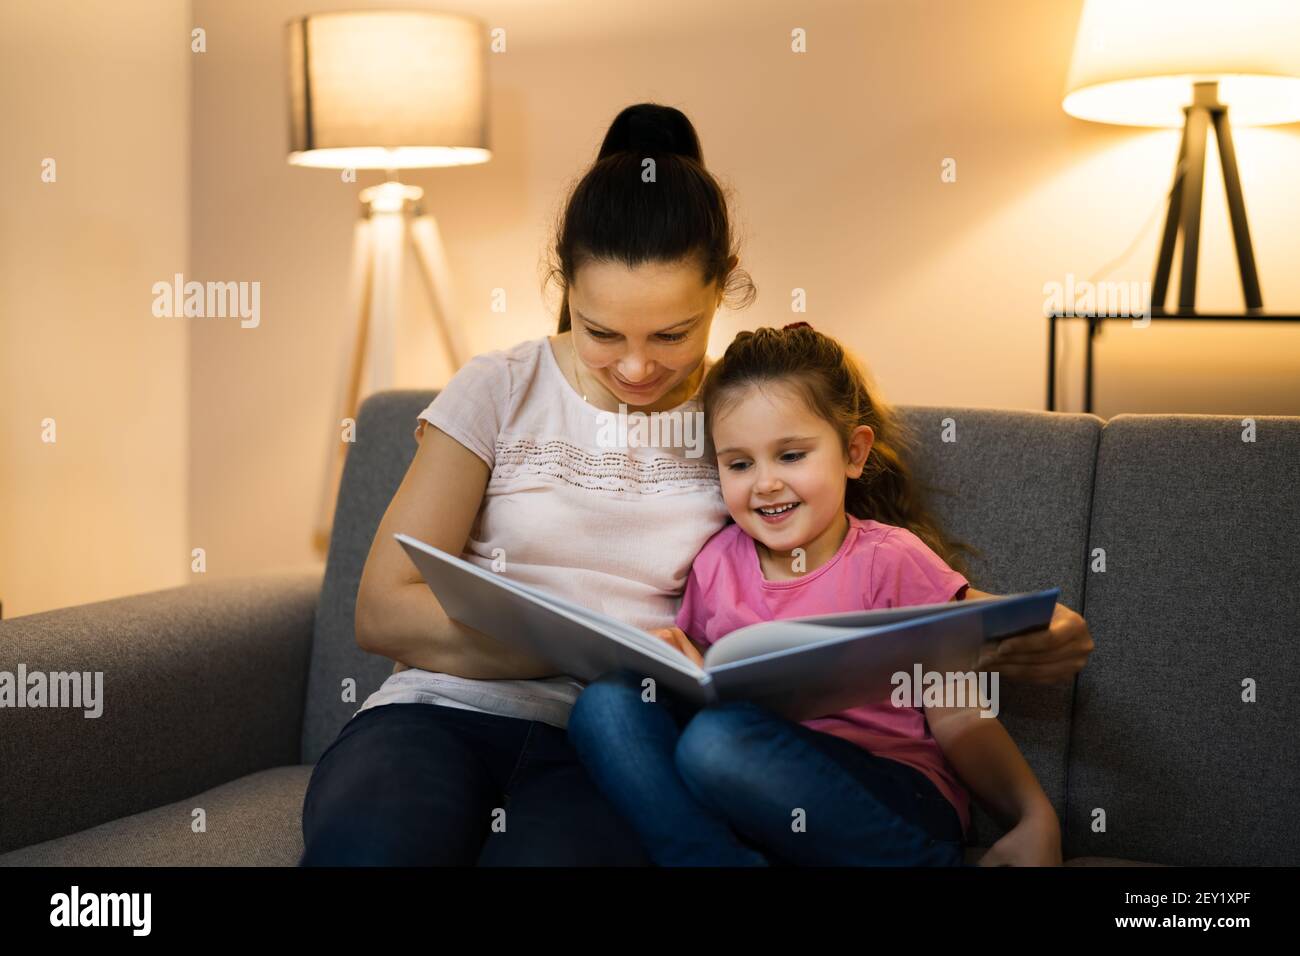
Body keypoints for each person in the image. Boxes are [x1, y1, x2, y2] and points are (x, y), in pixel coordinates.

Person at [299, 103, 1094, 866]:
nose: (637, 368)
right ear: (564, 286)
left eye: (672, 334)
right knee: (376, 849)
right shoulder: (498, 388)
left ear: (724, 288)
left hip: (610, 747)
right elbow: (383, 609)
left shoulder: (740, 425)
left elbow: (848, 564)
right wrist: (586, 647)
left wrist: (1005, 627)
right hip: (437, 712)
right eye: (601, 332)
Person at [567, 323, 1062, 866]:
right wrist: (680, 669)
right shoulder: (714, 564)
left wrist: (1033, 814)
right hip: (754, 801)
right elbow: (705, 689)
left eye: (791, 456)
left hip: (890, 795)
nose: (765, 484)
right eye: (739, 463)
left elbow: (961, 715)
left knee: (719, 744)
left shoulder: (890, 560)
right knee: (607, 703)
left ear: (853, 453)